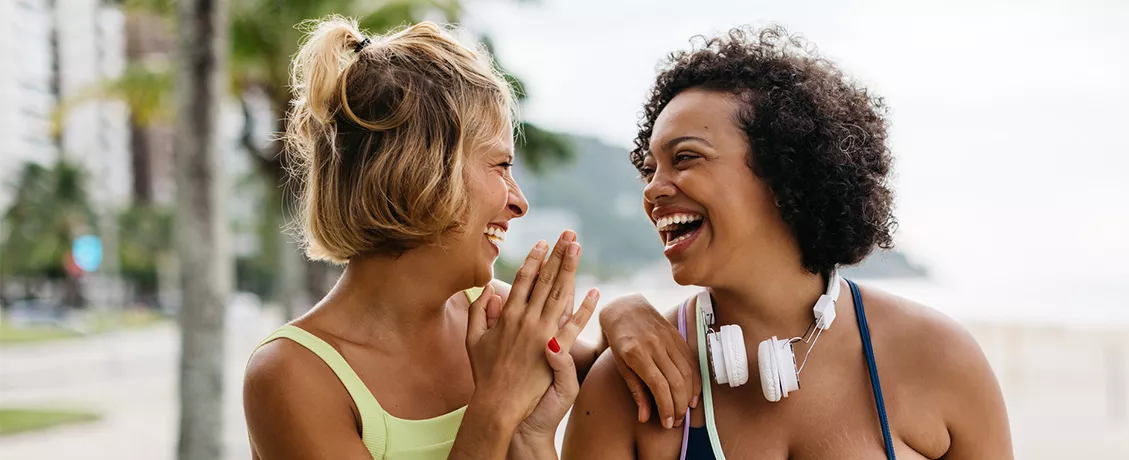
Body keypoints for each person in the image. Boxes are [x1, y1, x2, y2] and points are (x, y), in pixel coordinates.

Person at [243, 17, 696, 460]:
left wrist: (623, 313)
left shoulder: (493, 313)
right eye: (500, 166)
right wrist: (496, 402)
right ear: (418, 172)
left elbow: (608, 373)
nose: (519, 203)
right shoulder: (291, 375)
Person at [564, 26, 1014, 459]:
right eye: (649, 170)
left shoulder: (940, 358)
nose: (652, 190)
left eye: (686, 158)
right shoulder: (626, 388)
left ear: (786, 173)